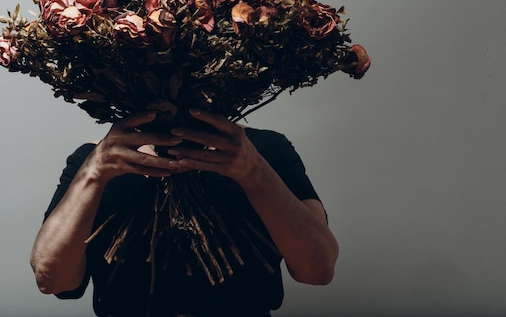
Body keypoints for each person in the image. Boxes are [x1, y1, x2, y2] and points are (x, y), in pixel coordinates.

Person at [30, 109, 339, 317]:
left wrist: (255, 171)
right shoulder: (97, 159)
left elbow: (319, 269)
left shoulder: (264, 151)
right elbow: (52, 279)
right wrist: (93, 173)